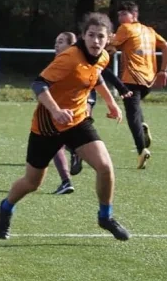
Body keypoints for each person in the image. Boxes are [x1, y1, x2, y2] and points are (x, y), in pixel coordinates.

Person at [0, 13, 129, 240]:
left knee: (105, 166)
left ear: (109, 39)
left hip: (77, 121)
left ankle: (105, 216)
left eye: (101, 36)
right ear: (83, 36)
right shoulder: (69, 57)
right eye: (91, 35)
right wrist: (56, 110)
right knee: (32, 183)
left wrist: (111, 102)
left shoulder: (103, 56)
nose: (96, 41)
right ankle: (6, 207)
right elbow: (38, 84)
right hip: (47, 126)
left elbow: (96, 76)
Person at [50, 30, 129, 194]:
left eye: (61, 41)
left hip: (78, 103)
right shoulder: (61, 61)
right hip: (71, 104)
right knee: (63, 139)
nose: (56, 45)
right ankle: (73, 158)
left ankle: (67, 177)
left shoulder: (79, 59)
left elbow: (100, 75)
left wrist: (115, 97)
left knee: (56, 140)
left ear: (71, 45)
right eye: (56, 41)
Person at [110, 0, 167, 169]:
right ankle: (142, 125)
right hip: (148, 80)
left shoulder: (125, 28)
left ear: (134, 15)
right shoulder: (149, 30)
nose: (120, 18)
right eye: (119, 15)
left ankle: (141, 150)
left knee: (132, 116)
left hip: (132, 79)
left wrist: (106, 41)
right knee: (135, 109)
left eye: (124, 14)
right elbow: (166, 47)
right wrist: (163, 70)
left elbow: (110, 46)